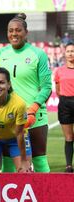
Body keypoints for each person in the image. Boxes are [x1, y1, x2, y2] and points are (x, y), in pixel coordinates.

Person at [0, 13, 52, 172]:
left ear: (26, 32)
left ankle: (48, 196)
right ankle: (10, 197)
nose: (14, 34)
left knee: (39, 159)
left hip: (34, 116)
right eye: (10, 30)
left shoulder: (38, 54)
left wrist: (33, 109)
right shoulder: (0, 54)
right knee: (8, 162)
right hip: (9, 116)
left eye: (18, 30)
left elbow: (47, 87)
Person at [54, 42, 74, 172]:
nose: (71, 53)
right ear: (64, 54)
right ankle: (69, 165)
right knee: (69, 137)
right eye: (68, 51)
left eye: (73, 51)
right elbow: (58, 90)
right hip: (65, 104)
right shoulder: (59, 70)